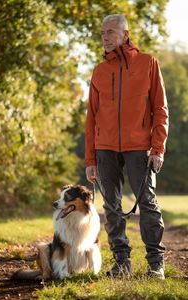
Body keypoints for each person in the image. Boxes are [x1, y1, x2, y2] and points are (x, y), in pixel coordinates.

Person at [85, 14, 169, 280]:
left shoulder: (147, 63)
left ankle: (156, 263)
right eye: (103, 33)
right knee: (111, 207)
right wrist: (90, 159)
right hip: (105, 148)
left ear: (125, 33)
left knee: (147, 203)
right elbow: (91, 117)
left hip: (139, 146)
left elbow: (160, 109)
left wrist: (157, 149)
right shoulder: (99, 71)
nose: (106, 37)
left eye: (111, 32)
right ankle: (122, 263)